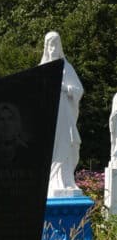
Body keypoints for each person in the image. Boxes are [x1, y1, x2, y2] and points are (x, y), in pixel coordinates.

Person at [40, 31, 84, 196]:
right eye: (50, 45)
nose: (53, 48)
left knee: (71, 143)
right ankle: (49, 181)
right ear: (46, 47)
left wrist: (65, 88)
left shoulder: (67, 67)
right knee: (50, 146)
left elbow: (79, 90)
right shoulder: (41, 69)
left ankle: (66, 180)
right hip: (48, 115)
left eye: (56, 44)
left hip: (64, 113)